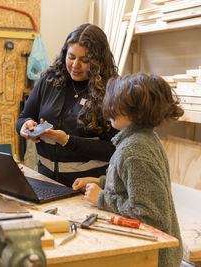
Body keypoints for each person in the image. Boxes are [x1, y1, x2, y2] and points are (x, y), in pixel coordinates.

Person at [73, 73, 184, 267]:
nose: (110, 109)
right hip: (148, 250)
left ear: (134, 112)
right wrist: (99, 182)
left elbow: (152, 214)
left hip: (153, 258)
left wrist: (101, 198)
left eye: (116, 104)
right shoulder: (142, 138)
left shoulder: (134, 150)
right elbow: (134, 184)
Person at [16, 23, 119, 187]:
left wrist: (68, 141)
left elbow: (114, 149)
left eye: (85, 60)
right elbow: (23, 118)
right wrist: (26, 126)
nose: (75, 65)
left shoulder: (112, 91)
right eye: (71, 57)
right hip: (46, 181)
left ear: (99, 62)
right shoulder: (49, 80)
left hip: (88, 187)